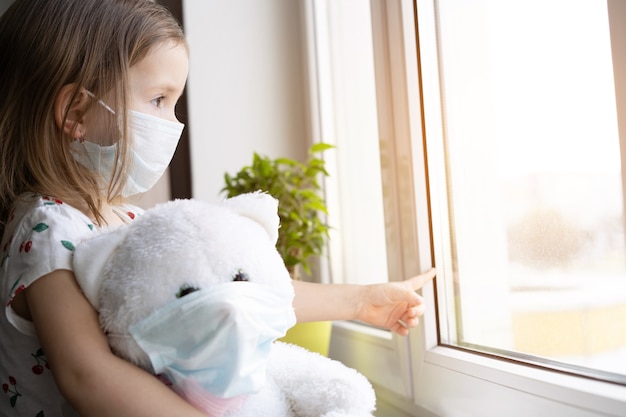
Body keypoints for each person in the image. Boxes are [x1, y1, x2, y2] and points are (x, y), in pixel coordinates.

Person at [0, 0, 436, 416]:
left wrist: (360, 302)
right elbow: (88, 377)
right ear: (76, 112)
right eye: (158, 100)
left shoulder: (126, 221)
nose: (173, 122)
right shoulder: (48, 229)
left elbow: (231, 295)